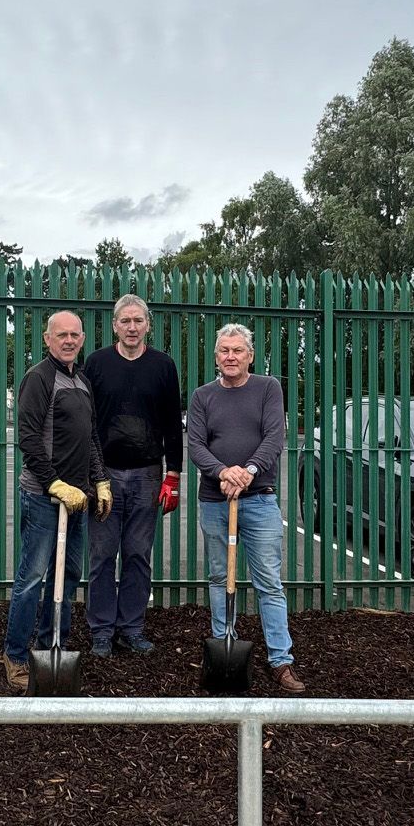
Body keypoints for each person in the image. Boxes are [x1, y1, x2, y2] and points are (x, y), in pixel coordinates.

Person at [186, 323, 306, 693]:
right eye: (225, 351)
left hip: (260, 499)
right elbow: (195, 445)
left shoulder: (268, 389)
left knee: (268, 582)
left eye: (238, 350)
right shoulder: (203, 396)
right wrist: (223, 471)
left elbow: (274, 437)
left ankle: (280, 661)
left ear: (250, 355)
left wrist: (247, 472)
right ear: (217, 356)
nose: (231, 356)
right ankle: (225, 648)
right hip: (215, 501)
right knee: (221, 578)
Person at [1, 310, 112, 690]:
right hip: (42, 496)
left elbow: (92, 437)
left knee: (68, 575)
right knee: (32, 578)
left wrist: (100, 481)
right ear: (47, 339)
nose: (68, 340)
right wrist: (55, 485)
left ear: (82, 339)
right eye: (60, 334)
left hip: (77, 499)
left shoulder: (81, 380)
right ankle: (15, 656)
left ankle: (52, 644)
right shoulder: (38, 378)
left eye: (74, 335)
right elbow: (28, 440)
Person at [81, 294, 183, 657]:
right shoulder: (95, 364)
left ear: (148, 325)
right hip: (104, 475)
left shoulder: (163, 366)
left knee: (138, 554)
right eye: (125, 321)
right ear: (114, 325)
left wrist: (174, 475)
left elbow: (173, 423)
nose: (132, 327)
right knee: (103, 555)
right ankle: (102, 631)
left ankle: (132, 628)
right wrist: (90, 475)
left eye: (138, 320)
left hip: (146, 475)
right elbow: (86, 422)